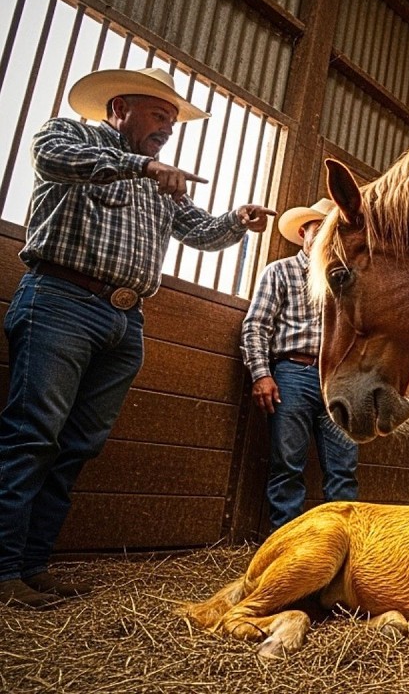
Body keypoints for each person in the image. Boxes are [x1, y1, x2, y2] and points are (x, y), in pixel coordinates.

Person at [0, 67, 271, 608]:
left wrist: (237, 220)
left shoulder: (160, 181)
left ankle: (32, 565)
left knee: (78, 444)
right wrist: (140, 165)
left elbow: (197, 231)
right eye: (159, 114)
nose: (168, 127)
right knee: (33, 434)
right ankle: (4, 568)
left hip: (125, 319)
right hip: (60, 300)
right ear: (119, 108)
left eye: (172, 119)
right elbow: (49, 160)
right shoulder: (70, 135)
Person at [241, 199, 358, 533]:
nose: (323, 235)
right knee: (287, 465)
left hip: (339, 379)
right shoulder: (280, 271)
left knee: (343, 469)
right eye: (316, 228)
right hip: (293, 373)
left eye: (330, 230)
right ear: (303, 233)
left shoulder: (347, 283)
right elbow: (256, 326)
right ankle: (286, 550)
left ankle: (340, 548)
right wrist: (261, 373)